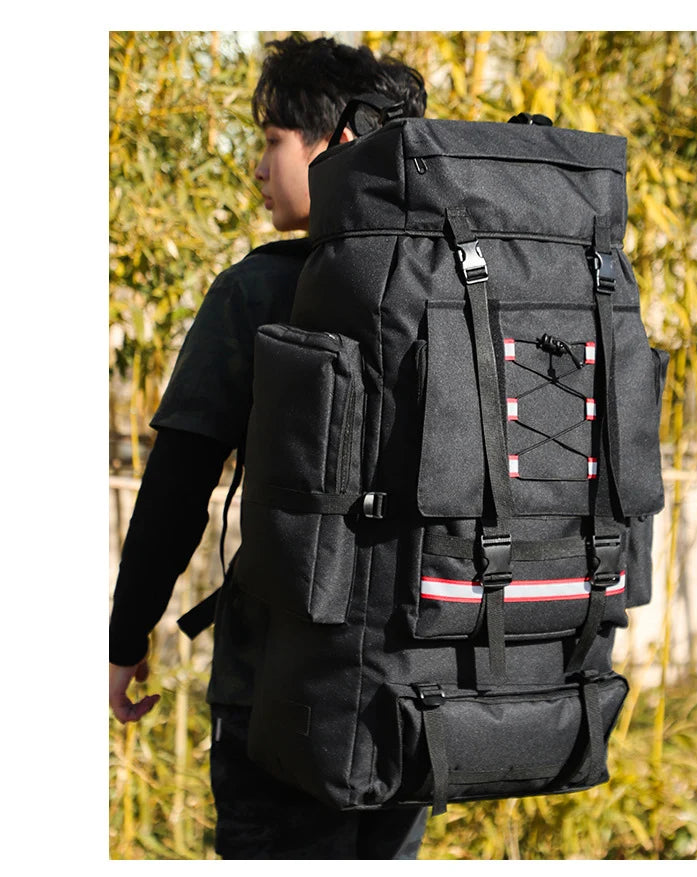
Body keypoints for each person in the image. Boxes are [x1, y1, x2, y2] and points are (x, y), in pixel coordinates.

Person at [109, 34, 429, 860]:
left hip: (283, 698)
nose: (258, 167)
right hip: (416, 701)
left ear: (341, 144)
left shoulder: (258, 288)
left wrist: (125, 638)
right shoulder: (448, 295)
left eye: (273, 141)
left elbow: (178, 485)